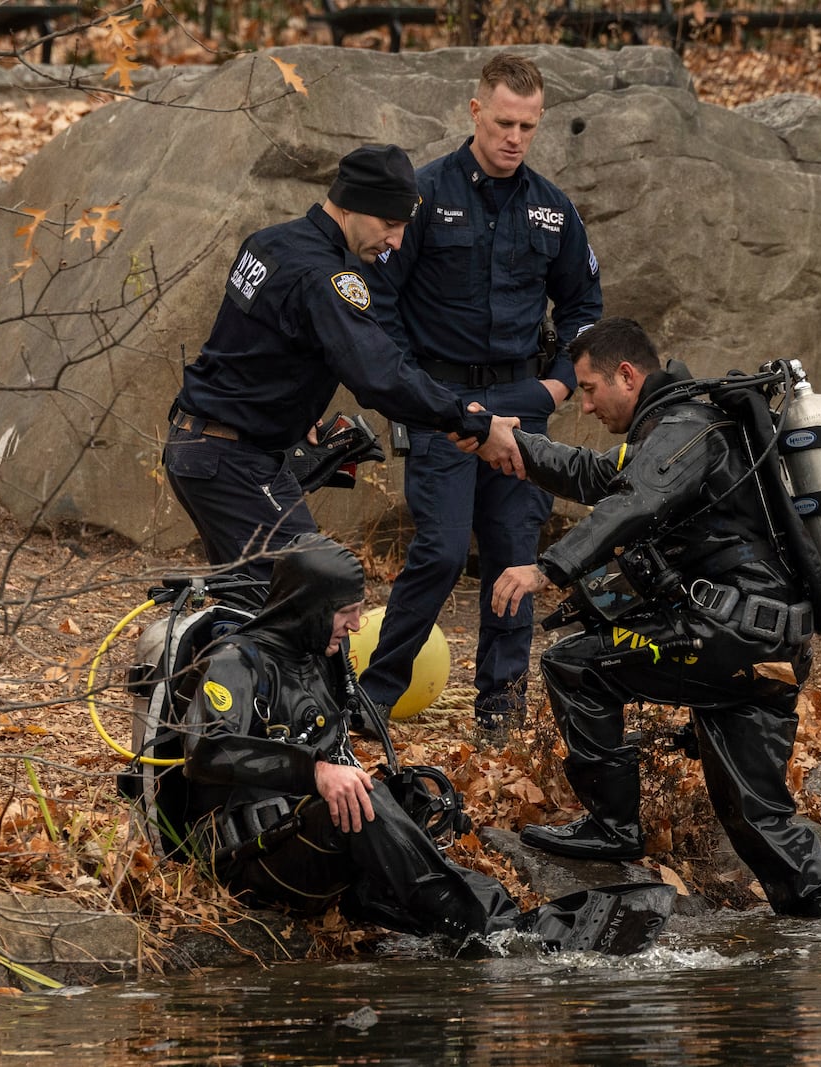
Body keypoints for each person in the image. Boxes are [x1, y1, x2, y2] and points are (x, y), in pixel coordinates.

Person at [488, 318, 821, 920]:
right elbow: (602, 477)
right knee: (755, 816)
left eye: (587, 389)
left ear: (627, 375)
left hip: (732, 636)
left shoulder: (686, 428)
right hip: (767, 642)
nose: (583, 406)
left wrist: (548, 569)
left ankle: (611, 827)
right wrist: (512, 444)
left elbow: (633, 503)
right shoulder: (680, 428)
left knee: (575, 666)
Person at [178, 531, 674, 952]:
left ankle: (515, 928)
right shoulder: (236, 661)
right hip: (251, 863)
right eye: (345, 613)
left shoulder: (319, 656)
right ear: (307, 608)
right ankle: (499, 933)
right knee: (364, 799)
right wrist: (315, 771)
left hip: (309, 841)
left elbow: (339, 748)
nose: (356, 625)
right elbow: (208, 751)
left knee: (405, 794)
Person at [359, 54, 603, 736]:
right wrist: (413, 390)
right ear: (474, 112)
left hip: (523, 406)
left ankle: (501, 706)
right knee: (437, 552)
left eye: (528, 125)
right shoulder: (426, 196)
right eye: (503, 121)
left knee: (514, 551)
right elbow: (379, 301)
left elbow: (584, 306)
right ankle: (374, 698)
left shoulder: (552, 210)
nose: (514, 137)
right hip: (445, 407)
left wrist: (557, 384)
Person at [164, 144, 524, 584]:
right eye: (389, 224)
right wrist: (473, 423)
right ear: (352, 204)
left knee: (253, 602)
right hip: (231, 460)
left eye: (404, 226)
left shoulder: (270, 242)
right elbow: (380, 374)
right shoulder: (325, 277)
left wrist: (297, 416)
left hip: (206, 447)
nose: (396, 241)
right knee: (315, 589)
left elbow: (256, 347)